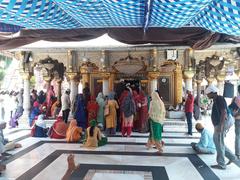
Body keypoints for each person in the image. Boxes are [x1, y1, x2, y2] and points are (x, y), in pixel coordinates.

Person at [205, 85, 238, 169]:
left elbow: (223, 112)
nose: (207, 96)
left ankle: (221, 164)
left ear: (212, 93)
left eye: (208, 94)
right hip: (219, 124)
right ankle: (233, 158)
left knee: (219, 143)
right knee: (220, 143)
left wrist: (221, 126)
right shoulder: (216, 99)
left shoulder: (219, 99)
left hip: (221, 124)